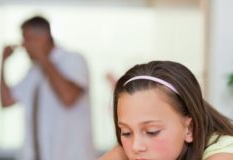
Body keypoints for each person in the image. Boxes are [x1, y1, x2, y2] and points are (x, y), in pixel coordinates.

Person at [0, 16, 95, 160]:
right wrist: (3, 63)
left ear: (43, 37)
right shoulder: (33, 72)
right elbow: (6, 101)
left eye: (27, 39)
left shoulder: (73, 60)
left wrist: (43, 57)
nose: (24, 46)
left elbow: (68, 97)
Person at [99, 61, 233, 160]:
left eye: (152, 132)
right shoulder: (132, 147)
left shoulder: (223, 153)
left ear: (190, 128)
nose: (136, 146)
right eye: (126, 132)